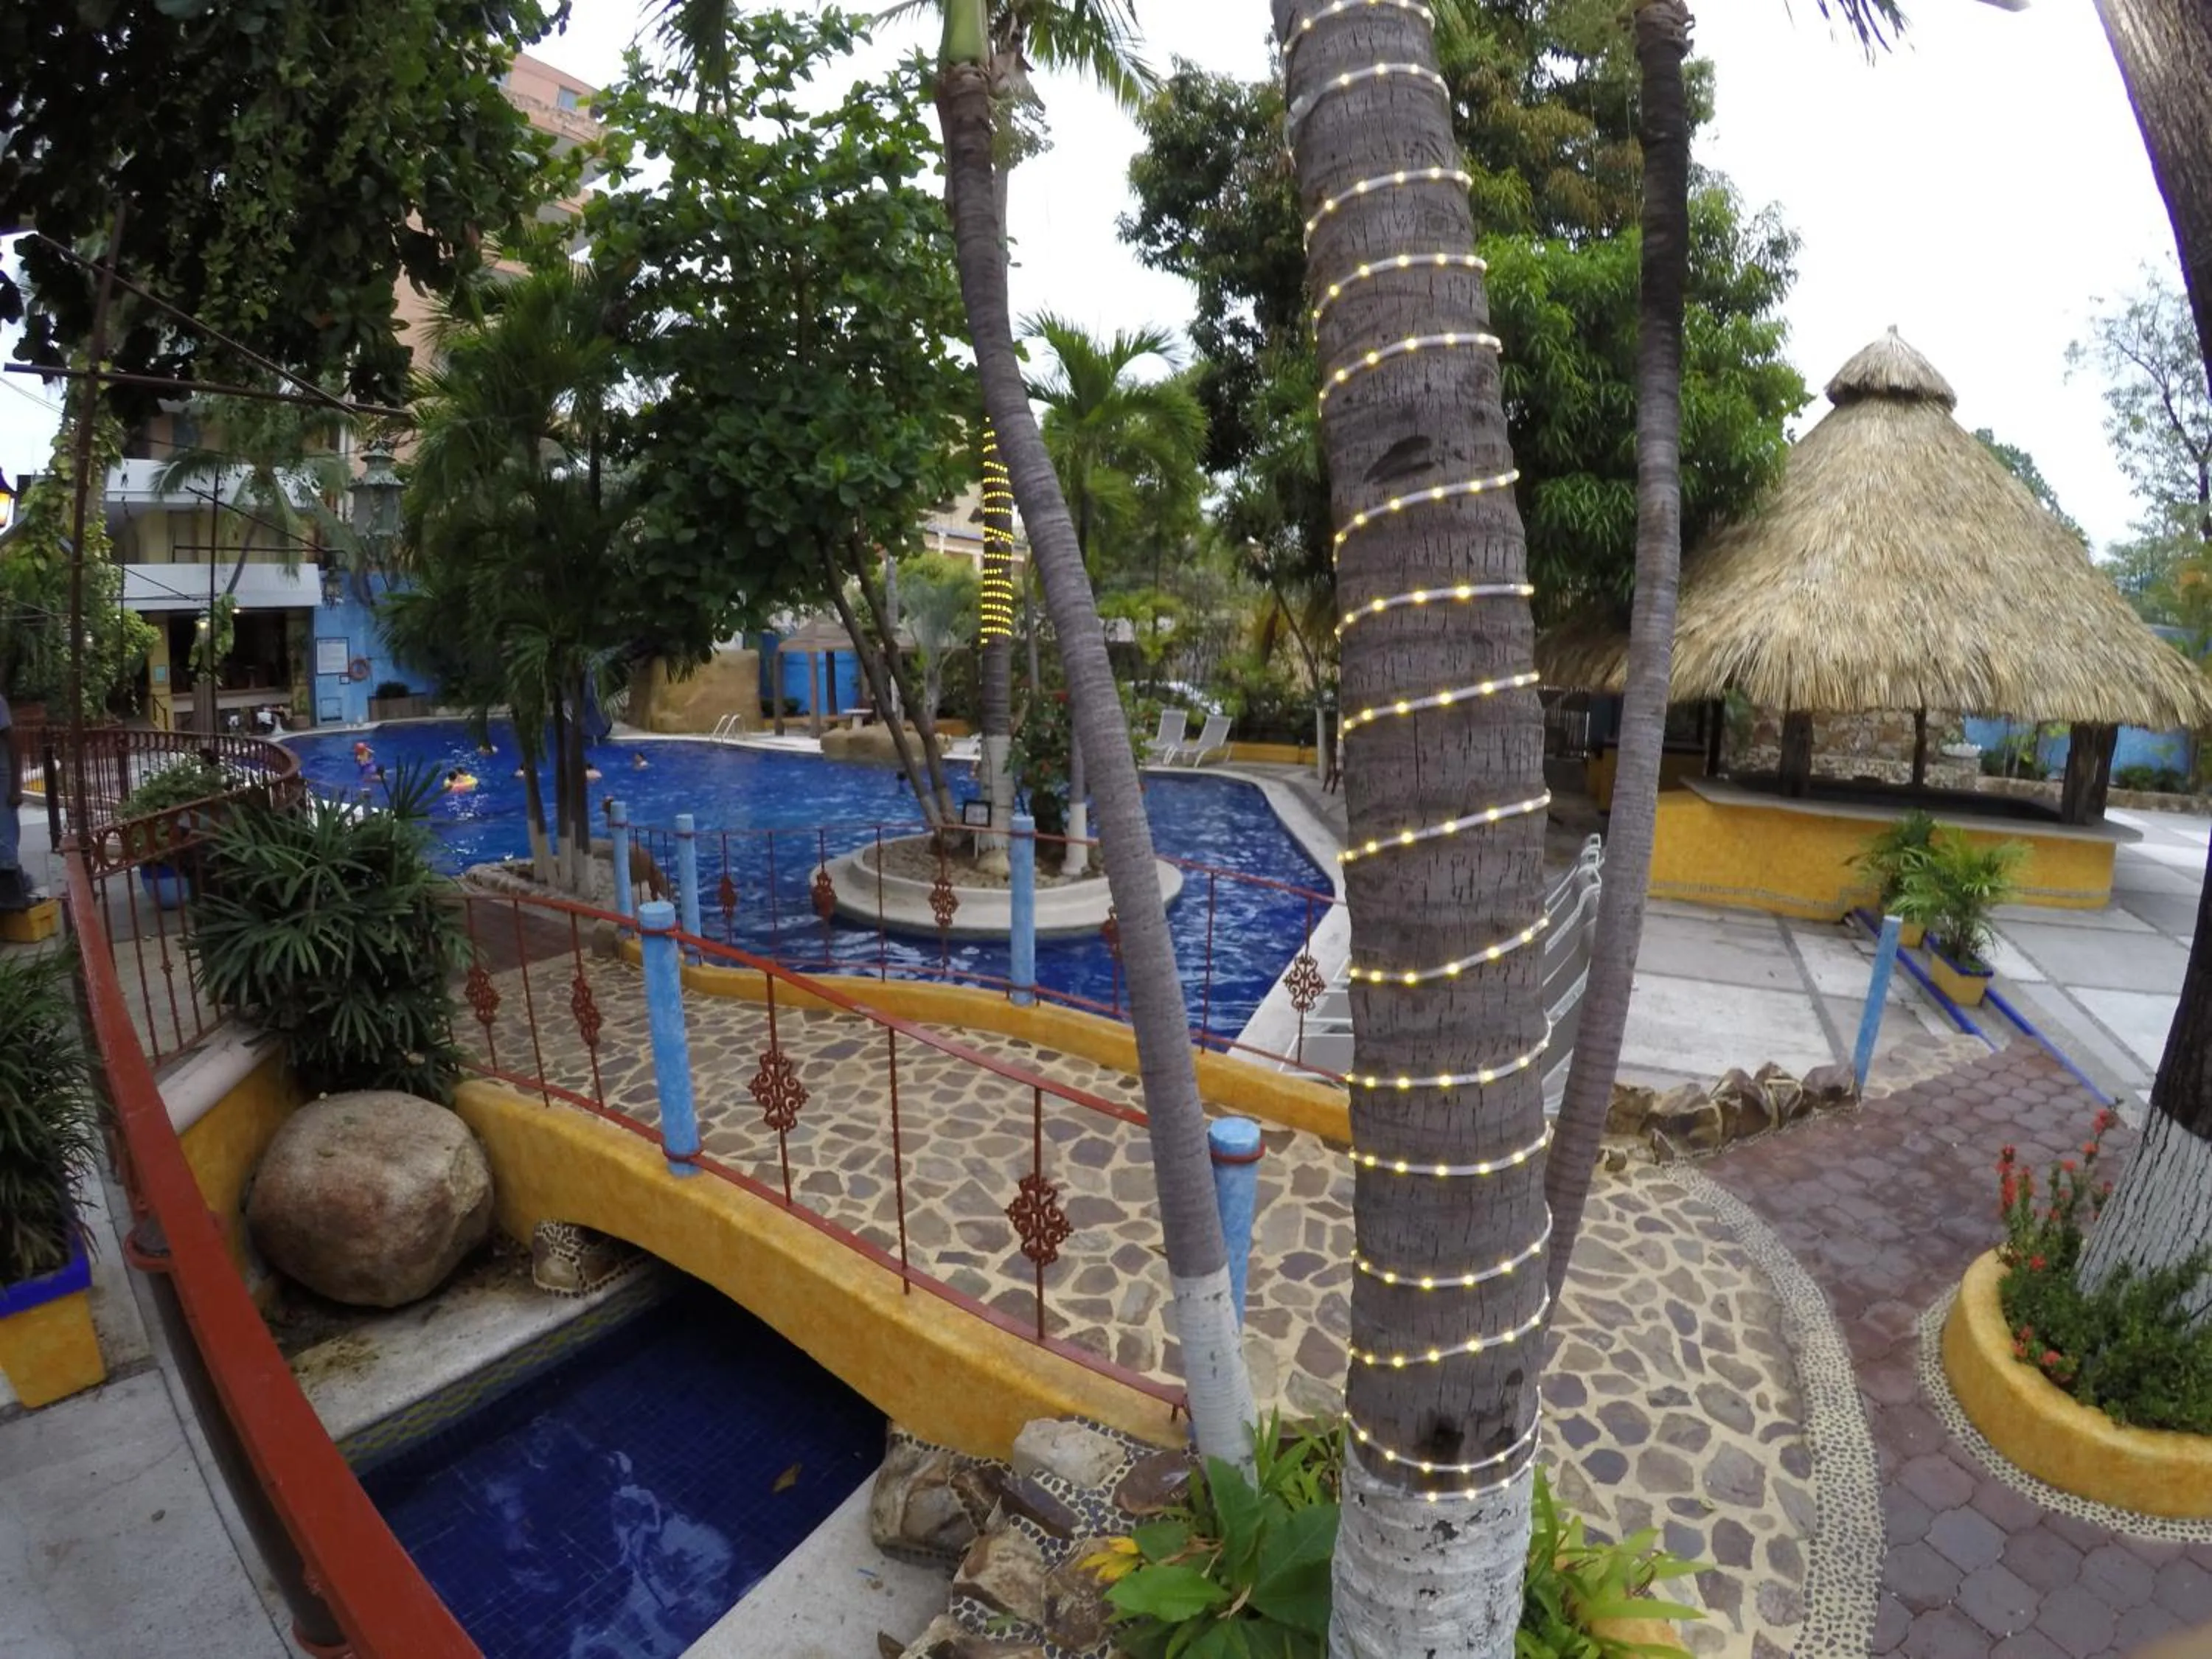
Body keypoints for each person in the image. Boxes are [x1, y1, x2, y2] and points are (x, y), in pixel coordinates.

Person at [0, 686, 25, 903]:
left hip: (3, 781)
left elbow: (14, 746)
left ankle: (10, 894)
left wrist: (16, 787)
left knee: (6, 837)